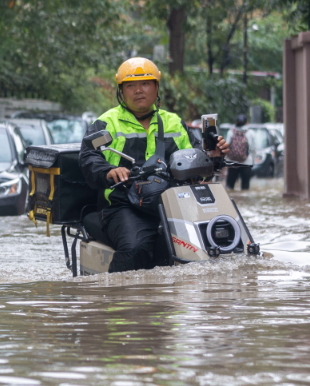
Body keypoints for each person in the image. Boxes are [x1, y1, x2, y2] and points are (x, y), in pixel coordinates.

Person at [79, 58, 229, 273]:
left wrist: (213, 157)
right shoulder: (107, 123)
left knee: (215, 242)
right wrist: (109, 171)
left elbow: (195, 159)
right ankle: (117, 300)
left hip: (172, 204)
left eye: (145, 84)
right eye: (130, 86)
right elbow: (88, 156)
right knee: (135, 249)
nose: (138, 90)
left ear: (156, 87)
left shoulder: (173, 123)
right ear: (121, 91)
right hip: (122, 205)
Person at [225, 114, 253, 190]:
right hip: (246, 162)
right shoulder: (250, 133)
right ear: (246, 122)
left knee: (230, 186)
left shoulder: (231, 132)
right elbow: (253, 148)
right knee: (245, 188)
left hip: (232, 162)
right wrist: (252, 161)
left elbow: (226, 146)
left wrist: (226, 159)